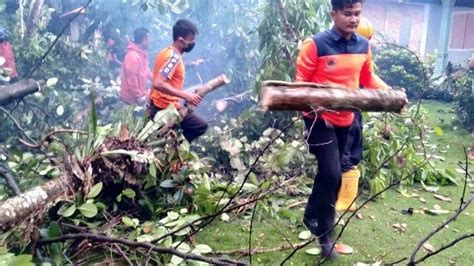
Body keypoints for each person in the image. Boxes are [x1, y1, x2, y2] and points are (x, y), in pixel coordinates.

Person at [294, 0, 390, 259]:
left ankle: (312, 214)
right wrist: (316, 104)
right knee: (332, 172)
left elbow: (367, 79)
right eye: (348, 13)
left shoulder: (363, 45)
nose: (353, 19)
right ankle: (325, 235)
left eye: (357, 14)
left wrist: (390, 94)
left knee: (331, 173)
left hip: (346, 120)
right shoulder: (315, 44)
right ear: (333, 14)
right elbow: (299, 84)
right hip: (317, 119)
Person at [148, 19, 208, 143]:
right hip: (164, 110)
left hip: (160, 106)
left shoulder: (164, 52)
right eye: (191, 39)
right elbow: (158, 83)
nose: (193, 42)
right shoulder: (174, 58)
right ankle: (176, 146)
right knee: (201, 126)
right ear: (181, 40)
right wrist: (186, 96)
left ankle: (171, 144)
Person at [120, 27, 153, 105]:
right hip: (131, 100)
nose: (150, 42)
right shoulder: (132, 56)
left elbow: (146, 69)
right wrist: (138, 97)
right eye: (149, 39)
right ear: (144, 40)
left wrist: (155, 80)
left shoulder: (142, 53)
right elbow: (132, 79)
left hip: (139, 95)